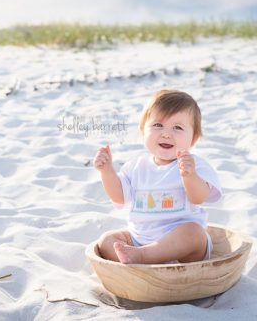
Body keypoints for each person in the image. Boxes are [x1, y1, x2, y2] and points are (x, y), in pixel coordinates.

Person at [93, 89, 222, 265]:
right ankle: (138, 256)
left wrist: (190, 176)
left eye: (178, 127)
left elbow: (198, 198)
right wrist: (107, 172)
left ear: (194, 139)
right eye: (158, 125)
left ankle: (142, 257)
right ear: (143, 131)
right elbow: (119, 197)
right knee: (107, 240)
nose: (166, 133)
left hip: (181, 246)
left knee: (194, 233)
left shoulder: (194, 165)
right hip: (139, 240)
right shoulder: (136, 167)